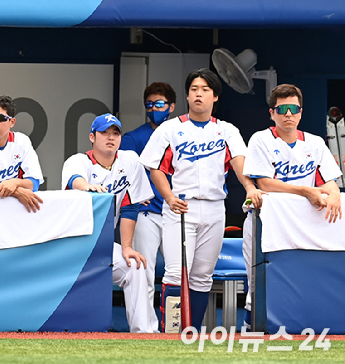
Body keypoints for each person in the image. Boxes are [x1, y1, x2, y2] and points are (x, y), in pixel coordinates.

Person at [139, 68, 263, 332]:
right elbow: (155, 168)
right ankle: (170, 333)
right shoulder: (170, 129)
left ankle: (191, 333)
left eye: (205, 90)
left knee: (202, 277)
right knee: (174, 272)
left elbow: (238, 162)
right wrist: (169, 197)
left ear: (215, 96)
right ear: (187, 95)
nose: (199, 94)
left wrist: (250, 187)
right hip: (181, 206)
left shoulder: (227, 131)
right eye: (194, 89)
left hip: (215, 207)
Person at [241, 84, 342, 329]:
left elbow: (330, 182)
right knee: (257, 281)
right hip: (266, 219)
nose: (288, 114)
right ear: (272, 113)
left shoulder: (315, 142)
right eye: (282, 109)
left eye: (293, 109)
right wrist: (305, 191)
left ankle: (303, 326)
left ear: (300, 112)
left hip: (304, 221)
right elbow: (263, 182)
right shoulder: (261, 138)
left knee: (301, 276)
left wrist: (336, 194)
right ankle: (254, 327)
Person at [62, 113, 155, 333]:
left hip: (100, 246)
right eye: (104, 133)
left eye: (115, 133)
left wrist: (127, 248)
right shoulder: (78, 161)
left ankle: (144, 335)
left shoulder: (130, 160)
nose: (110, 137)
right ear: (92, 137)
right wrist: (87, 186)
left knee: (135, 266)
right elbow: (75, 179)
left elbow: (130, 207)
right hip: (70, 246)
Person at [119, 82, 176, 333]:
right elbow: (125, 172)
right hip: (146, 212)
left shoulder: (182, 134)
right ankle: (145, 331)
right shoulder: (132, 138)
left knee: (178, 274)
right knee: (144, 271)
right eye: (149, 104)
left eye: (160, 104)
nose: (154, 108)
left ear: (172, 107)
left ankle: (177, 328)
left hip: (177, 211)